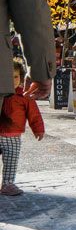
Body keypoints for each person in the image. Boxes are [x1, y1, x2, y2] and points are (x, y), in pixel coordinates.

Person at [0, 61, 45, 195]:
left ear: (21, 78)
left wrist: (38, 129)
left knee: (11, 161)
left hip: (13, 135)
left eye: (15, 77)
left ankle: (8, 183)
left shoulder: (24, 95)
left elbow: (34, 114)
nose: (12, 80)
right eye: (9, 76)